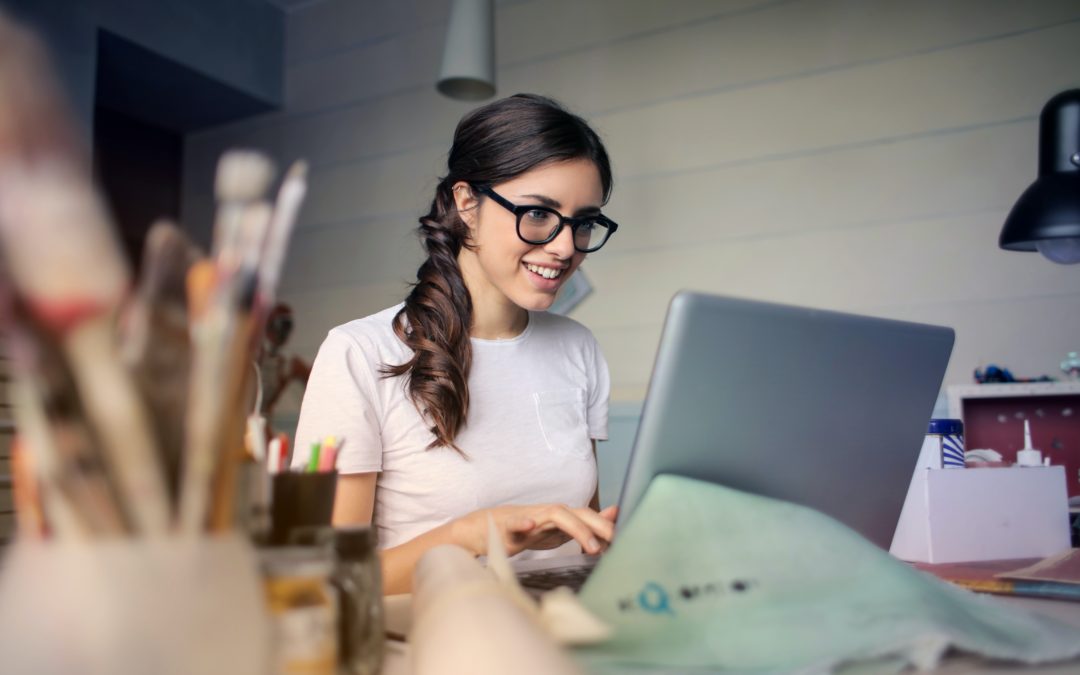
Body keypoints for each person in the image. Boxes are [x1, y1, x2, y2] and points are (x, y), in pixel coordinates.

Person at [293, 93, 620, 594]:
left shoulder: (578, 347)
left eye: (584, 222)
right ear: (467, 203)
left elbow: (586, 533)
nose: (565, 247)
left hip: (564, 631)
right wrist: (471, 536)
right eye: (538, 214)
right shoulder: (358, 353)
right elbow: (329, 580)